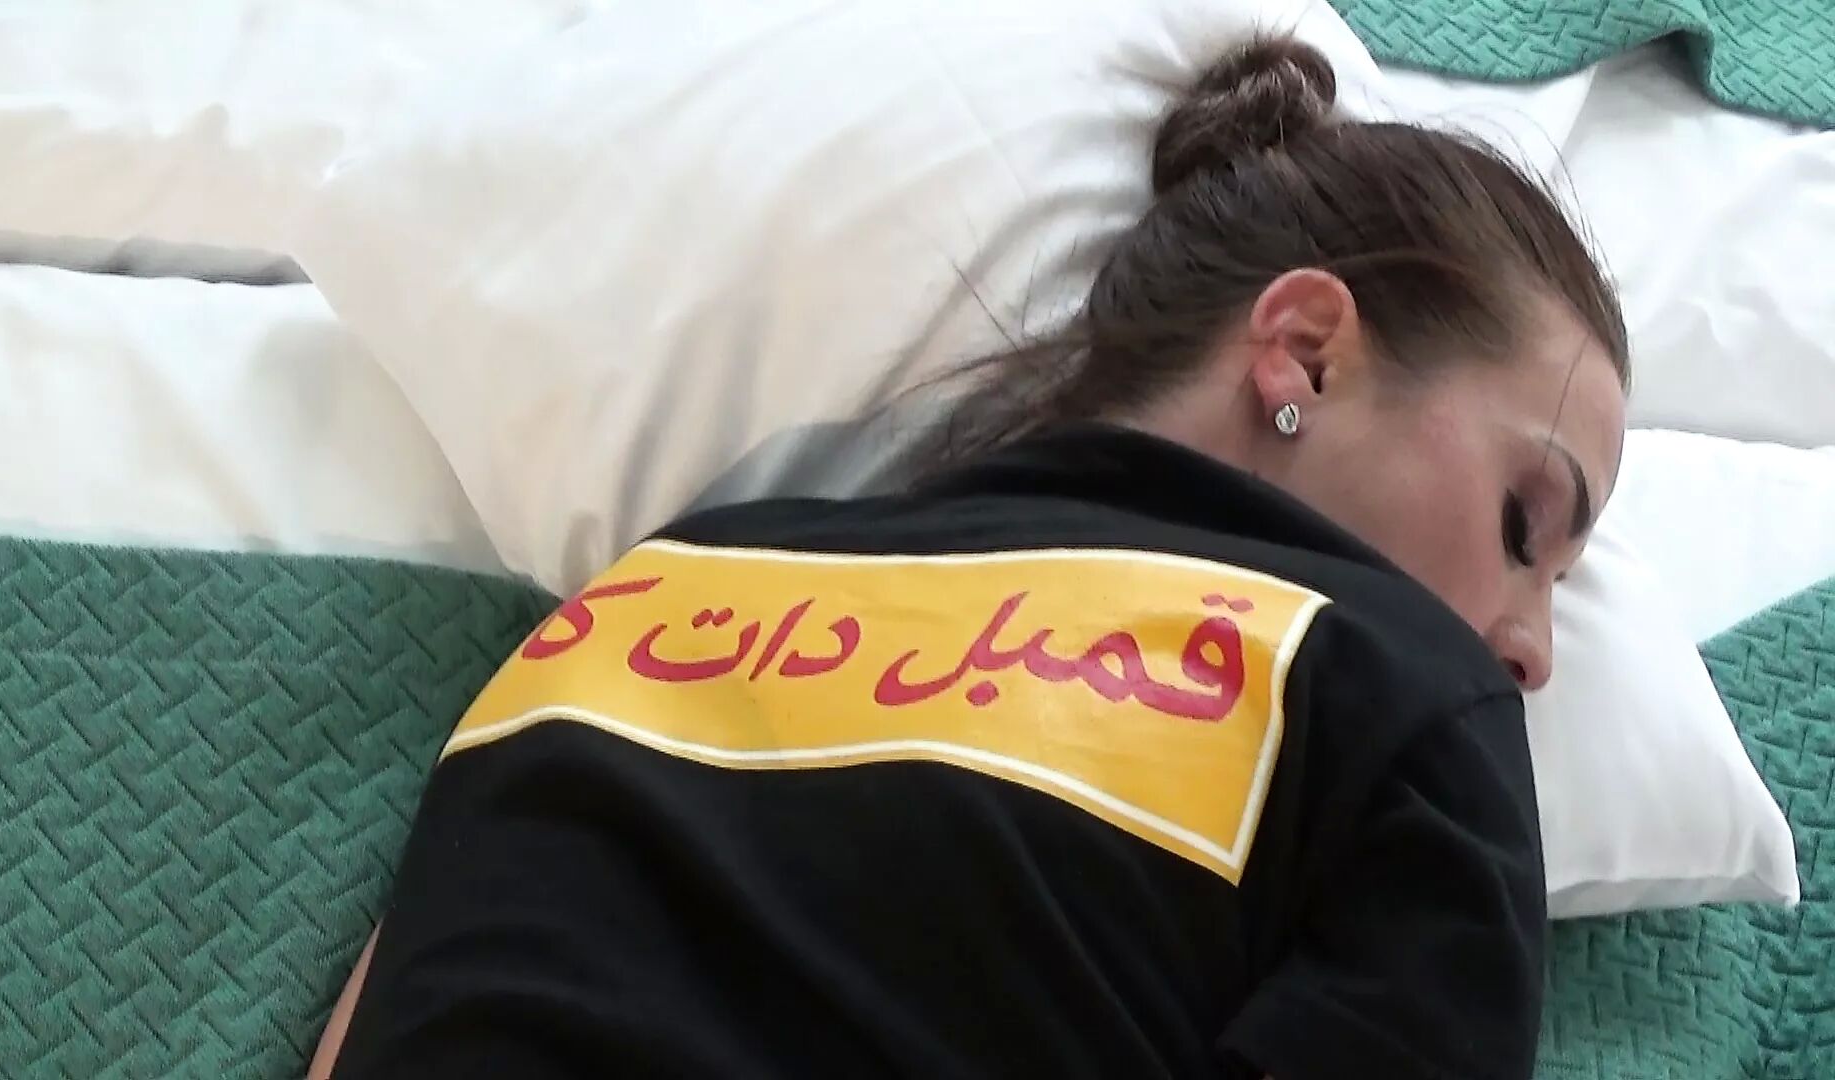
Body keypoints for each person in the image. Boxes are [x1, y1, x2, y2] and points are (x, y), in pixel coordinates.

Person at [310, 35, 1627, 1080]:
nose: (1530, 650)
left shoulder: (665, 586)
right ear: (1305, 353)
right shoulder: (1391, 690)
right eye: (1525, 527)